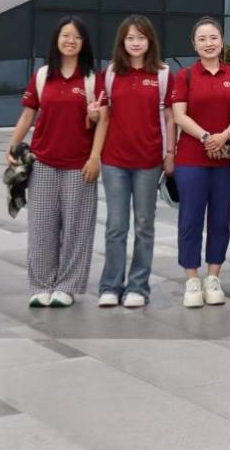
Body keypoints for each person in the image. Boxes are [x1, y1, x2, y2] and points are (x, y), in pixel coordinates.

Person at [7, 16, 108, 307]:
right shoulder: (42, 76)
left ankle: (67, 287)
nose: (70, 41)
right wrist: (13, 146)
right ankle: (41, 285)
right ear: (56, 39)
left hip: (79, 165)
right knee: (41, 226)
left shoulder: (93, 79)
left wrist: (95, 157)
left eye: (77, 36)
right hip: (43, 162)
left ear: (84, 43)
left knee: (77, 228)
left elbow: (104, 121)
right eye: (65, 35)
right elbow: (28, 114)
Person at [97, 15, 174, 308]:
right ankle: (110, 285)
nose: (136, 43)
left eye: (141, 37)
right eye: (130, 38)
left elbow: (169, 117)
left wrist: (170, 153)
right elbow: (101, 115)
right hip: (114, 160)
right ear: (122, 42)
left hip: (149, 160)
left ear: (150, 41)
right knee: (116, 226)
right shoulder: (110, 73)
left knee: (144, 225)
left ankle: (138, 287)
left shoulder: (163, 74)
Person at [170, 17, 230, 309]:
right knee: (190, 219)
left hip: (227, 159)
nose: (209, 43)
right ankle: (191, 279)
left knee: (220, 219)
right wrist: (206, 137)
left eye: (214, 37)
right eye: (202, 39)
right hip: (191, 158)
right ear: (194, 44)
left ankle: (213, 277)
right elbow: (179, 115)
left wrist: (224, 136)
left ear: (222, 41)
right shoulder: (185, 76)